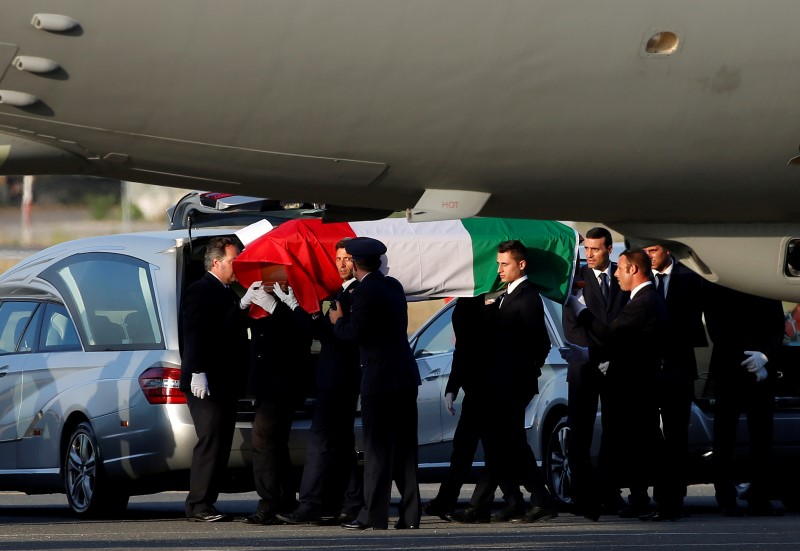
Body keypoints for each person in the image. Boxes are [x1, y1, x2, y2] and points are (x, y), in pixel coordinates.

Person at [455, 240, 558, 524]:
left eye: (505, 264)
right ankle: (530, 500)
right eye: (498, 264)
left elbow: (541, 343)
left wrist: (523, 374)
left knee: (503, 443)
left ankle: (482, 504)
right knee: (510, 444)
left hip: (512, 386)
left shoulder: (526, 297)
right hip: (500, 384)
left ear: (521, 265)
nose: (499, 269)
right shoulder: (507, 295)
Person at [564, 249, 667, 521]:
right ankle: (641, 501)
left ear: (633, 270)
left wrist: (579, 309)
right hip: (633, 387)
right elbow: (622, 344)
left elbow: (612, 336)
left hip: (635, 388)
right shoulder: (643, 299)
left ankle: (660, 503)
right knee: (637, 447)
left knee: (640, 447)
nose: (617, 274)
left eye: (620, 269)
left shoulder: (643, 302)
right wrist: (588, 354)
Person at [329, 237, 422, 530]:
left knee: (377, 450)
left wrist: (337, 321)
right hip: (404, 376)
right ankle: (410, 515)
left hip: (380, 380)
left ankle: (373, 513)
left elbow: (356, 333)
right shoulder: (393, 286)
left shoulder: (365, 292)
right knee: (405, 450)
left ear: (355, 263)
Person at [276, 239, 364, 526]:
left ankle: (310, 504)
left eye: (347, 258)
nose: (341, 263)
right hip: (332, 377)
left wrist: (304, 310)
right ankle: (353, 502)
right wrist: (296, 305)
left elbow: (341, 335)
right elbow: (320, 330)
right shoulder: (337, 293)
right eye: (338, 258)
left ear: (358, 261)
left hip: (341, 378)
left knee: (320, 441)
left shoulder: (357, 294)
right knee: (340, 443)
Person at [179, 237, 261, 522]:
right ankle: (198, 504)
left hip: (224, 381)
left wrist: (244, 307)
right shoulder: (200, 291)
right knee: (211, 438)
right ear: (216, 262)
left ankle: (207, 502)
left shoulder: (226, 291)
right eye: (232, 260)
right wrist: (198, 371)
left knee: (221, 440)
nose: (236, 265)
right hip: (206, 380)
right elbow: (197, 333)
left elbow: (229, 329)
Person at [562, 227, 628, 519]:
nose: (589, 254)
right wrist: (595, 354)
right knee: (580, 433)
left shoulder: (621, 275)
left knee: (615, 432)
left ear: (609, 249)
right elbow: (572, 325)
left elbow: (626, 320)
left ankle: (609, 492)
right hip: (584, 364)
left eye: (595, 249)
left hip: (616, 365)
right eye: (586, 249)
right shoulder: (575, 280)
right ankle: (583, 495)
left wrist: (611, 356)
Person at [703, 282, 784, 516]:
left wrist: (765, 356)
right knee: (724, 437)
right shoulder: (717, 284)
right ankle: (725, 496)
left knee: (761, 435)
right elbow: (717, 330)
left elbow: (777, 327)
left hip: (761, 370)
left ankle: (760, 496)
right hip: (730, 368)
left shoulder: (763, 284)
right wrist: (749, 359)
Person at [639, 244, 707, 521]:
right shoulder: (644, 282)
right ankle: (658, 499)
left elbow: (695, 322)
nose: (649, 255)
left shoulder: (689, 278)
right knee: (650, 436)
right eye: (645, 250)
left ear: (666, 250)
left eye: (653, 249)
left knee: (677, 436)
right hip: (650, 369)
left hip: (678, 367)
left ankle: (675, 500)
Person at [244, 285, 313, 525]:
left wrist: (277, 306)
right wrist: (241, 305)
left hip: (283, 384)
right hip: (263, 385)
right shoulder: (256, 305)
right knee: (275, 444)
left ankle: (269, 502)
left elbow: (302, 334)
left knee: (262, 441)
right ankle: (283, 498)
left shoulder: (291, 306)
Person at [423, 295, 491, 520]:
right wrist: (452, 387)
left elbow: (466, 350)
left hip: (491, 390)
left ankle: (528, 500)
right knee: (470, 449)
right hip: (478, 391)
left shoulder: (483, 305)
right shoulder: (466, 306)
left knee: (497, 450)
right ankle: (448, 501)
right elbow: (462, 351)